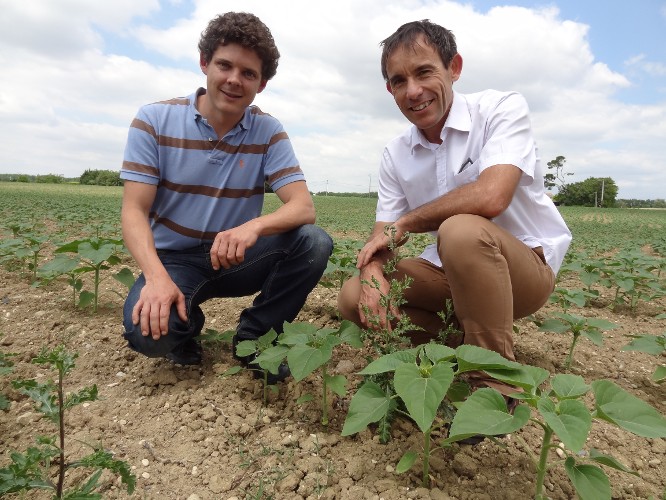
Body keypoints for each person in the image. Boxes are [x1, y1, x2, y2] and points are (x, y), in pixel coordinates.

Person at [338, 20, 572, 396]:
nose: (413, 91)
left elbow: (492, 197)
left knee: (461, 229)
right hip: (449, 270)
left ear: (454, 68)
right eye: (399, 81)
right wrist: (371, 271)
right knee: (354, 297)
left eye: (424, 72)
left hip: (524, 268)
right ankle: (464, 345)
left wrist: (409, 221)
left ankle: (493, 385)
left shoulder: (500, 109)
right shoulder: (396, 153)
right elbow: (383, 232)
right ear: (389, 89)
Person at [120, 12, 332, 382]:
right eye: (224, 65)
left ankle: (255, 337)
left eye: (249, 73)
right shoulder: (153, 120)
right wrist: (156, 277)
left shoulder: (267, 131)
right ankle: (185, 326)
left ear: (261, 83)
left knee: (314, 243)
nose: (235, 80)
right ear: (205, 63)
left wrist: (253, 227)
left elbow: (303, 207)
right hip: (174, 260)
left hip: (235, 257)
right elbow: (134, 211)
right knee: (150, 335)